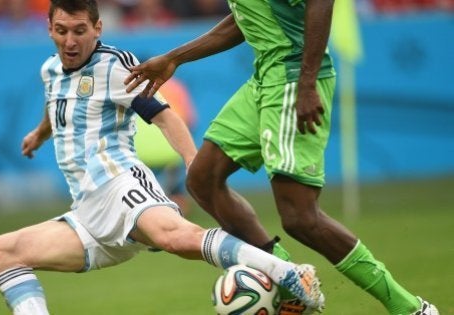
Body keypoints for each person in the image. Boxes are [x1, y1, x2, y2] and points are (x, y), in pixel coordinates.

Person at [0, 1, 325, 314]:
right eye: (62, 31)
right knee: (5, 253)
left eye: (79, 30)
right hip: (87, 212)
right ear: (49, 28)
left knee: (176, 237)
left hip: (120, 184)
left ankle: (291, 274)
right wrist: (40, 133)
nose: (70, 41)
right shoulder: (51, 70)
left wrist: (193, 161)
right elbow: (57, 103)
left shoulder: (116, 67)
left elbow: (165, 116)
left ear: (98, 28)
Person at [124, 4, 440, 315]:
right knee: (202, 179)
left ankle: (409, 308)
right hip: (263, 79)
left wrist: (306, 84)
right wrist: (174, 58)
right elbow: (244, 19)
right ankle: (289, 276)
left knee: (300, 217)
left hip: (293, 78)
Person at [134, 77, 197, 216]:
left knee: (142, 190)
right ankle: (178, 219)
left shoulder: (129, 85)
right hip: (170, 151)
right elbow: (191, 120)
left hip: (139, 151)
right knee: (175, 192)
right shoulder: (175, 87)